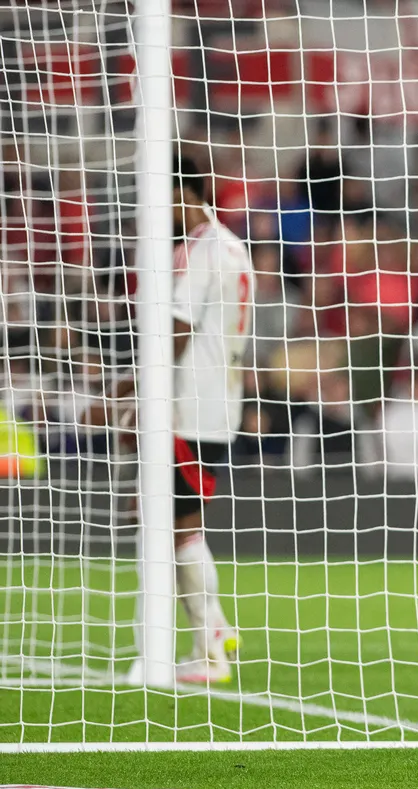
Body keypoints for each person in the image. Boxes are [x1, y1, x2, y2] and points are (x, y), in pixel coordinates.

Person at [85, 153, 254, 683]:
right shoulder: (233, 247)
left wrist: (132, 391)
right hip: (219, 401)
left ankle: (209, 651)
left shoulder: (197, 252)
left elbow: (176, 330)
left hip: (187, 406)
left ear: (183, 193)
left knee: (176, 524)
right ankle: (216, 629)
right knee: (170, 519)